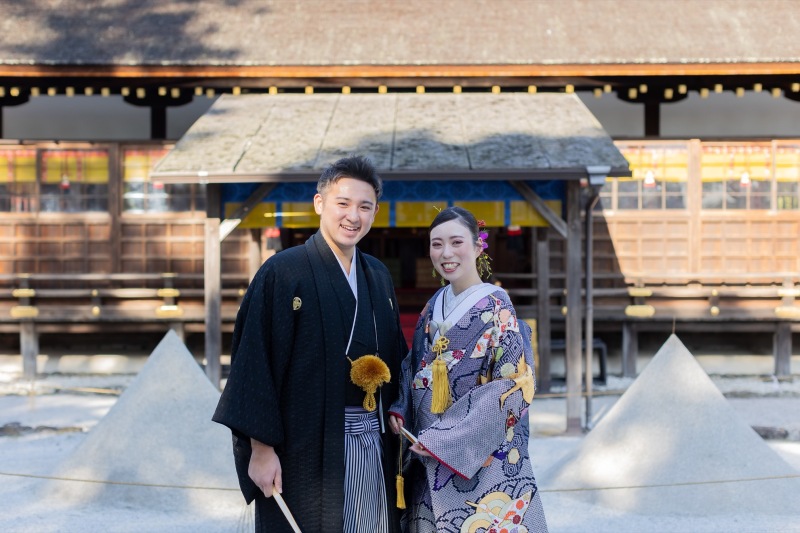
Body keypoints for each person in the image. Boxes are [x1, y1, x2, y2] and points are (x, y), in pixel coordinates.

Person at [213, 155, 407, 533]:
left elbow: (397, 357)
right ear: (320, 203)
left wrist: (403, 409)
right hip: (303, 447)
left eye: (364, 207)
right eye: (343, 203)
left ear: (375, 212)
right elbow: (255, 363)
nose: (353, 216)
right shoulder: (283, 272)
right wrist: (261, 449)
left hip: (373, 439)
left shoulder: (378, 275)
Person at [388, 206, 548, 533]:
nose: (446, 253)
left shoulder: (497, 306)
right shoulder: (433, 305)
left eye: (456, 242)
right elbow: (412, 366)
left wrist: (446, 439)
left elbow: (512, 386)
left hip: (478, 453)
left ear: (477, 247)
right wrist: (400, 409)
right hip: (427, 449)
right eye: (436, 244)